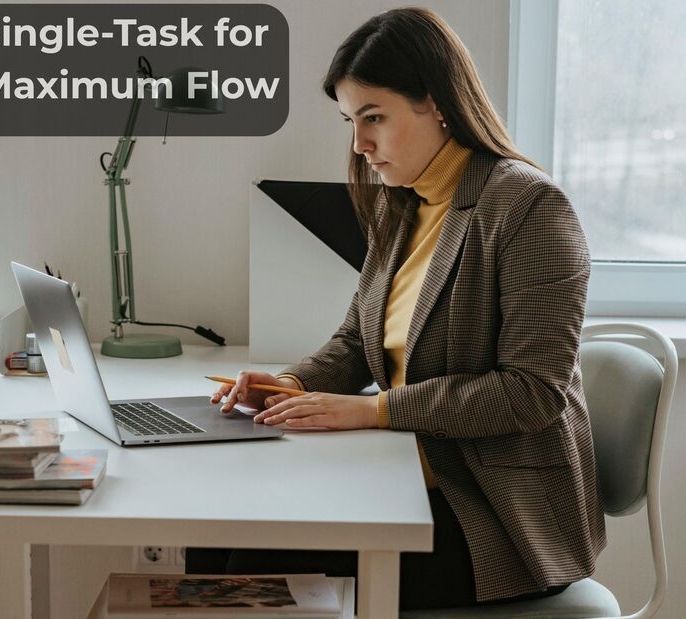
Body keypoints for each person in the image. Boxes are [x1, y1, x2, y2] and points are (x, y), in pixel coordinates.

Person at [188, 6, 606, 611]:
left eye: (374, 117)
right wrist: (290, 385)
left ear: (436, 103)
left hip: (495, 515)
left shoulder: (530, 208)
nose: (360, 144)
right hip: (406, 473)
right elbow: (357, 342)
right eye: (351, 121)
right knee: (215, 530)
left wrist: (374, 410)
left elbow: (531, 392)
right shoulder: (401, 201)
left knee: (254, 566)